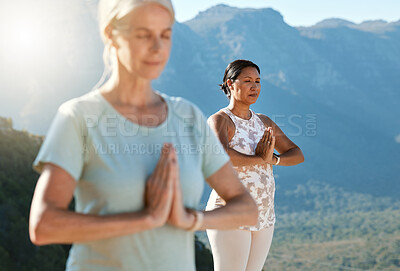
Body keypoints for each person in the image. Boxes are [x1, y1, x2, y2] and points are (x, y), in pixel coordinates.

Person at [28, 2, 258, 270]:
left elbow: (246, 208)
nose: (157, 48)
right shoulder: (79, 117)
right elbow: (44, 226)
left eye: (165, 35)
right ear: (112, 34)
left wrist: (189, 219)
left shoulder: (188, 117)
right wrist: (146, 219)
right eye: (143, 34)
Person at [206, 59, 304, 271]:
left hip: (264, 215)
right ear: (230, 84)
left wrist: (273, 159)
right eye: (248, 80)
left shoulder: (264, 122)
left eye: (258, 81)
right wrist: (260, 159)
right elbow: (221, 155)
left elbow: (297, 154)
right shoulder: (220, 120)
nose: (254, 87)